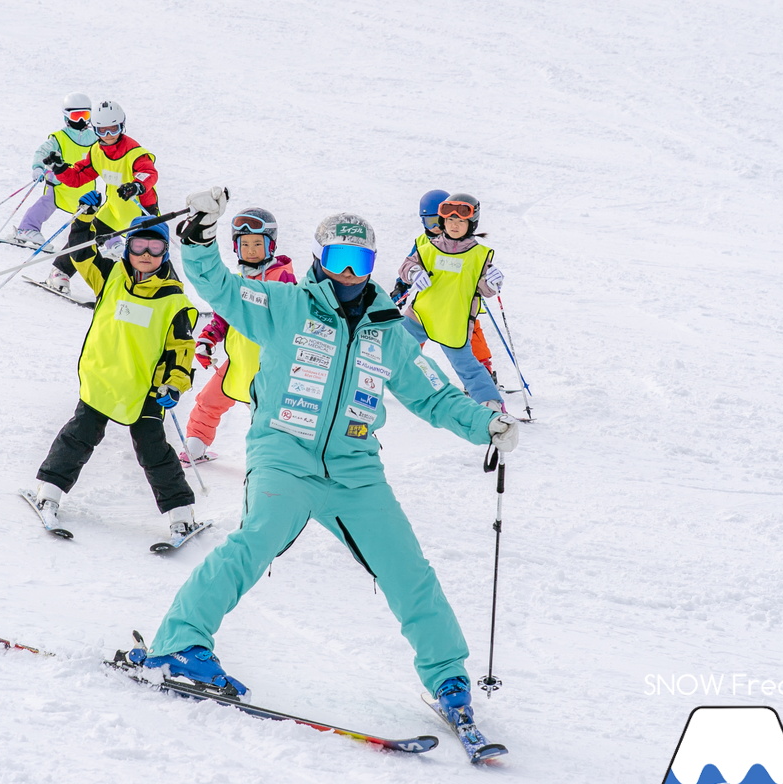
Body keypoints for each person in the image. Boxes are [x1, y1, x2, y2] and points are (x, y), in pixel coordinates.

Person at [128, 187, 519, 730]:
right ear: (319, 259)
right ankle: (180, 643)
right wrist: (196, 236)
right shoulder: (285, 305)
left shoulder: (387, 331)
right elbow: (220, 286)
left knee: (408, 570)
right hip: (284, 456)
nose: (351, 272)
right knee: (254, 541)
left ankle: (447, 677)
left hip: (355, 472)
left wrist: (485, 422)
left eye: (361, 261)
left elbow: (430, 393)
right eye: (340, 259)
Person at [29, 190, 199, 540]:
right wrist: (85, 217)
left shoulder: (173, 299)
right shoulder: (109, 278)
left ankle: (181, 515)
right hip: (104, 377)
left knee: (153, 449)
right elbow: (81, 253)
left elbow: (181, 349)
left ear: (165, 252)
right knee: (79, 436)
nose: (146, 255)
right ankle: (49, 494)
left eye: (155, 249)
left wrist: (174, 384)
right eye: (138, 247)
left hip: (146, 388)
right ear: (127, 248)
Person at [182, 208, 296, 464]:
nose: (252, 250)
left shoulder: (282, 277)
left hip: (269, 367)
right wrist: (207, 339)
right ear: (236, 247)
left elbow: (292, 314)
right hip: (238, 362)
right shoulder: (235, 281)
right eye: (245, 244)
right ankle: (195, 445)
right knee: (209, 401)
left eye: (258, 243)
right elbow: (223, 315)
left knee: (268, 415)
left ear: (271, 245)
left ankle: (276, 459)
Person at [395, 192, 506, 411]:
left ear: (471, 224)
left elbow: (485, 289)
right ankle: (361, 383)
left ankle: (492, 408)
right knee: (391, 345)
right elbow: (406, 267)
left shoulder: (479, 255)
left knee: (467, 368)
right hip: (420, 316)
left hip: (453, 322)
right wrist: (414, 272)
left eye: (461, 221)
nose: (454, 225)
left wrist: (493, 283)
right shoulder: (428, 247)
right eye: (450, 220)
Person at [41, 101, 158, 255]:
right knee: (86, 236)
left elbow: (149, 172)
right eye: (102, 130)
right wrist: (60, 168)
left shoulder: (134, 152)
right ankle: (60, 273)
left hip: (140, 210)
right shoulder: (97, 151)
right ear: (95, 129)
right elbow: (78, 177)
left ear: (122, 126)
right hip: (114, 208)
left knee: (148, 251)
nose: (108, 135)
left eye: (113, 129)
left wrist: (136, 186)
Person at [11, 93, 97, 292]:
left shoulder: (96, 138)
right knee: (48, 202)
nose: (82, 121)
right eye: (77, 116)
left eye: (85, 115)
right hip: (59, 182)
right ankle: (27, 229)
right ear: (66, 117)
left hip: (83, 187)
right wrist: (38, 167)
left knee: (95, 217)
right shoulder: (59, 137)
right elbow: (42, 152)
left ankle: (112, 242)